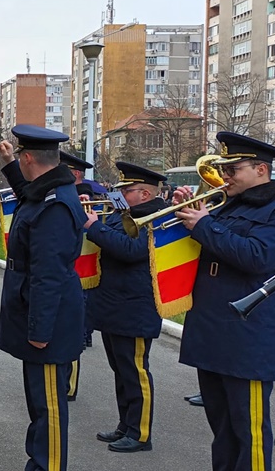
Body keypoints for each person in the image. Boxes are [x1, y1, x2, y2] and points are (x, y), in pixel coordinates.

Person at [172, 131, 275, 471]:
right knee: (222, 427)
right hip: (213, 326)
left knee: (249, 430)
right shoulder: (228, 205)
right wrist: (187, 212)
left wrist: (204, 225)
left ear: (261, 169)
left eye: (233, 170)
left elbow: (258, 257)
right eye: (223, 169)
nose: (224, 176)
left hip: (249, 333)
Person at [0, 125, 86, 471]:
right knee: (39, 404)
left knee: (48, 408)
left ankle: (48, 466)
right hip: (40, 316)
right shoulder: (47, 191)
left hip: (50, 324)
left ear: (29, 158)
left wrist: (39, 331)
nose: (20, 159)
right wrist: (8, 164)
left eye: (20, 156)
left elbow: (49, 275)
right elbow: (26, 194)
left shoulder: (55, 205)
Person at [83, 162, 168, 453]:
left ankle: (140, 433)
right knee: (120, 370)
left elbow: (132, 251)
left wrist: (94, 227)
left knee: (135, 372)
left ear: (145, 194)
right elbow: (111, 239)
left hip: (136, 306)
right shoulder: (125, 215)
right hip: (115, 304)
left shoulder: (156, 217)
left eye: (126, 190)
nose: (119, 194)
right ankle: (126, 424)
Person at [56, 151, 96, 401]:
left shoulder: (86, 197)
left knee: (72, 331)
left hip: (80, 270)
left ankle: (69, 386)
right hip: (65, 268)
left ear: (76, 175)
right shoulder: (63, 193)